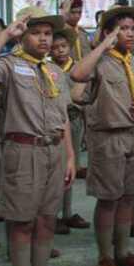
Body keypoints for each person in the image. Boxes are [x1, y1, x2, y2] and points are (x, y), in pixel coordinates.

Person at [0, 7, 77, 266]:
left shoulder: (55, 71)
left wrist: (70, 156)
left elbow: (63, 117)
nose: (44, 39)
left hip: (53, 151)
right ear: (22, 36)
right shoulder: (9, 65)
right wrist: (6, 35)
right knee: (22, 222)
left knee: (46, 220)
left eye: (48, 34)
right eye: (36, 33)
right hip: (23, 151)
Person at [71, 5, 134, 266]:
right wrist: (103, 45)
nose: (130, 34)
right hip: (108, 138)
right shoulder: (99, 62)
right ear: (108, 33)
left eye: (133, 29)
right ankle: (105, 257)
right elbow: (77, 76)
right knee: (108, 199)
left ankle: (123, 252)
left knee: (127, 197)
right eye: (122, 29)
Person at [49, 28, 91, 234]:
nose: (60, 50)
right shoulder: (47, 69)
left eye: (64, 46)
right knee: (56, 170)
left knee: (70, 168)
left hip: (75, 120)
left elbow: (85, 96)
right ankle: (54, 215)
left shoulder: (78, 68)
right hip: (56, 123)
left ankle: (67, 212)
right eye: (55, 47)